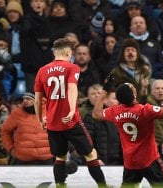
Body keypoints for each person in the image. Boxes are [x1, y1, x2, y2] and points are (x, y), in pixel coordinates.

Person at [34, 38, 107, 187]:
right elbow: (72, 88)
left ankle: (60, 186)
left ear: (55, 52)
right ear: (68, 52)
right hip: (71, 121)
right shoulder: (72, 67)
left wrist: (41, 120)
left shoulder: (42, 70)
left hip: (53, 123)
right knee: (91, 154)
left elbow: (37, 100)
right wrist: (72, 109)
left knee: (60, 157)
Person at [92, 72, 163, 187]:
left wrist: (105, 89)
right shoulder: (145, 110)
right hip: (150, 159)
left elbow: (96, 114)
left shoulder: (114, 111)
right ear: (134, 95)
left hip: (131, 162)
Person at [1, 92, 54, 165]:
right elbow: (5, 131)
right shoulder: (16, 113)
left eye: (28, 99)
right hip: (22, 159)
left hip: (46, 158)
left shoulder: (50, 112)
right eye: (24, 99)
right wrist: (11, 149)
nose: (25, 101)